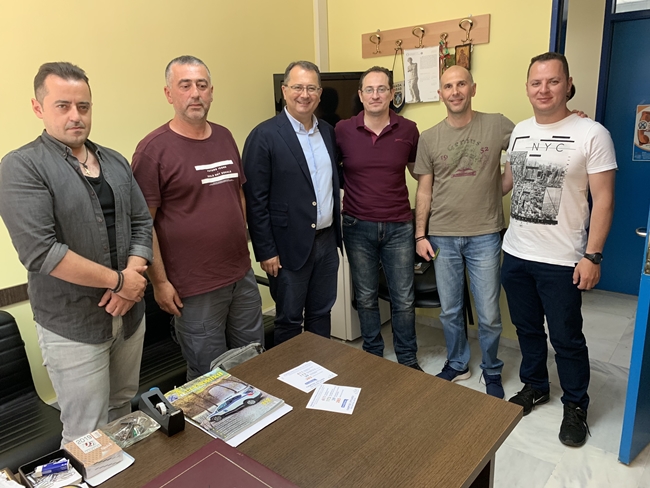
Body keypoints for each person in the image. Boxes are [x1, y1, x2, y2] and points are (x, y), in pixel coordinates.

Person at [0, 62, 153, 445]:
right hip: (73, 326)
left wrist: (131, 280)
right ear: (38, 107)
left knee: (123, 408)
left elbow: (141, 222)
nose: (75, 116)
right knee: (87, 430)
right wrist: (120, 282)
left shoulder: (114, 161)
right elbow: (41, 252)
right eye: (63, 106)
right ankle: (96, 474)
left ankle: (125, 473)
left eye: (83, 106)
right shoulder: (22, 167)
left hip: (129, 317)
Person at [501, 52, 616, 447]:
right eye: (536, 82)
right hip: (516, 253)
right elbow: (508, 182)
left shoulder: (592, 133)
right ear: (527, 87)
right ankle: (535, 385)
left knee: (566, 338)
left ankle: (575, 404)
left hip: (562, 259)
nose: (544, 89)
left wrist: (593, 255)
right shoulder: (519, 131)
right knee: (527, 329)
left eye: (553, 81)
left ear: (568, 84)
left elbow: (604, 200)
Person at [132, 55, 263, 381]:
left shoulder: (225, 137)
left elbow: (238, 195)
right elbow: (143, 225)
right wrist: (160, 283)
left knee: (253, 364)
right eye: (185, 85)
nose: (195, 94)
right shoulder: (152, 151)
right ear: (169, 94)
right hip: (194, 289)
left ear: (211, 92)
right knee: (210, 380)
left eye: (202, 86)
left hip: (241, 277)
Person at [414, 66, 515, 398]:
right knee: (450, 310)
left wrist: (570, 117)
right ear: (440, 94)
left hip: (485, 235)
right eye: (448, 86)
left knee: (489, 314)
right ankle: (458, 363)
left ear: (473, 88)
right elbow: (424, 191)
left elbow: (530, 144)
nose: (455, 91)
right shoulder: (429, 138)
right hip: (442, 236)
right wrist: (420, 235)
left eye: (461, 84)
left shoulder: (497, 124)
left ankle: (491, 368)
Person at [243, 60, 341, 345]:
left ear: (319, 93)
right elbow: (255, 200)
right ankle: (289, 373)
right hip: (287, 247)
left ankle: (318, 368)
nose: (304, 94)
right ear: (284, 91)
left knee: (322, 312)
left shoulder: (328, 132)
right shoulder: (264, 135)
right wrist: (265, 251)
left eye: (311, 88)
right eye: (298, 87)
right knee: (289, 319)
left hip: (326, 242)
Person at [335, 66, 421, 370]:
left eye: (382, 89)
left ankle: (407, 358)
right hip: (357, 226)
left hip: (399, 226)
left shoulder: (408, 130)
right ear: (360, 95)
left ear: (392, 94)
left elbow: (420, 173)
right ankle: (373, 356)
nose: (375, 95)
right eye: (369, 90)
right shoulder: (342, 130)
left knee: (404, 298)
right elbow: (328, 170)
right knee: (366, 296)